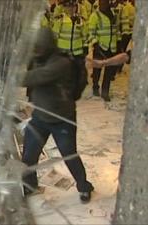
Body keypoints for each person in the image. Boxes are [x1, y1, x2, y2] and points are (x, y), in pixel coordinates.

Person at [21, 28, 94, 203]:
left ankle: (84, 187)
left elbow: (32, 78)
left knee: (69, 155)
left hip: (62, 119)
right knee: (29, 156)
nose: (35, 50)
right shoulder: (39, 59)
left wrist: (10, 74)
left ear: (46, 45)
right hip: (40, 117)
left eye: (38, 47)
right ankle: (29, 185)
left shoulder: (61, 63)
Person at [88, 0, 120, 101]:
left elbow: (116, 30)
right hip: (100, 47)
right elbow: (91, 32)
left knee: (109, 71)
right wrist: (95, 43)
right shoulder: (95, 16)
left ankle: (105, 91)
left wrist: (119, 43)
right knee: (97, 70)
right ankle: (95, 87)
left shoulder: (114, 14)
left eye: (105, 3)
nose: (103, 5)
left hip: (112, 47)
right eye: (101, 3)